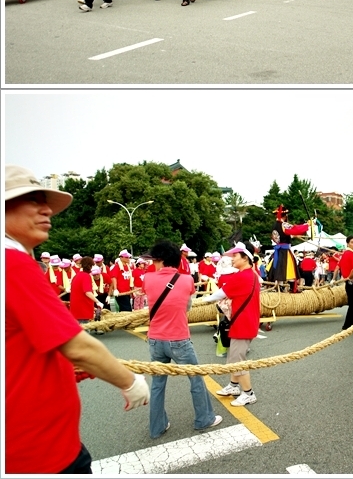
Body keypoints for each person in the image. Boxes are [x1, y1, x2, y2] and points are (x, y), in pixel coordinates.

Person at [5, 164, 149, 476]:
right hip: (40, 451)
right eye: (32, 200)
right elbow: (77, 346)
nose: (47, 210)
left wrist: (58, 368)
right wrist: (129, 381)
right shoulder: (13, 264)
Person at [143, 239, 222, 438]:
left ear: (160, 260)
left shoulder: (147, 279)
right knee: (195, 378)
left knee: (158, 384)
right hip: (179, 338)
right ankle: (204, 419)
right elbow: (187, 306)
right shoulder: (186, 280)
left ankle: (157, 427)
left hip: (155, 339)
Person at [198, 242, 261, 406]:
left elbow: (220, 294)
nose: (232, 259)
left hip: (243, 323)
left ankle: (249, 393)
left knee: (237, 359)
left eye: (235, 256)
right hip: (245, 321)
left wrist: (202, 301)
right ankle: (233, 386)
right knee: (235, 355)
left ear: (245, 258)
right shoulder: (251, 274)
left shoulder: (242, 276)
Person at [69, 256, 104, 328]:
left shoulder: (77, 275)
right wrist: (98, 302)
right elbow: (87, 292)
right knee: (84, 329)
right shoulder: (86, 276)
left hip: (76, 308)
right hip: (83, 308)